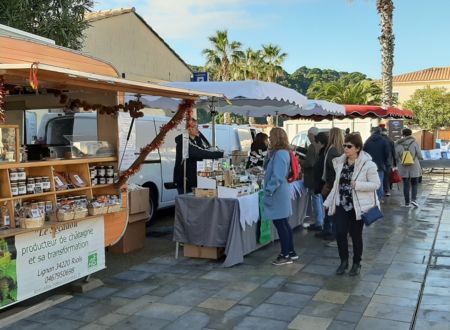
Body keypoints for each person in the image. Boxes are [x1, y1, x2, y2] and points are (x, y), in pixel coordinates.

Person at [323, 133, 380, 276]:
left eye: (349, 146)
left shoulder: (368, 165)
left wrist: (358, 185)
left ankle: (356, 263)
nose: (346, 149)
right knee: (340, 233)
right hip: (341, 204)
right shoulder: (339, 162)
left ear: (358, 148)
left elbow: (376, 184)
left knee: (355, 235)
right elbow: (336, 185)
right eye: (344, 146)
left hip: (357, 206)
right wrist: (329, 202)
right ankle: (343, 261)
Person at [264, 127, 297, 265]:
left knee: (280, 223)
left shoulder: (280, 154)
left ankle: (285, 254)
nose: (269, 139)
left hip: (277, 192)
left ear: (276, 138)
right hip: (281, 191)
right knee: (283, 223)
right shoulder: (283, 153)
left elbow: (277, 176)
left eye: (271, 137)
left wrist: (269, 190)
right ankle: (290, 252)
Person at [173, 118, 224, 194]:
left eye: (197, 127)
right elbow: (199, 152)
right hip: (185, 180)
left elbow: (205, 150)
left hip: (195, 179)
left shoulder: (198, 140)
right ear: (189, 129)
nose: (198, 129)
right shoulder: (183, 141)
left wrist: (215, 151)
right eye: (196, 127)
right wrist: (219, 154)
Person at [316, 127, 344, 241]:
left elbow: (334, 169)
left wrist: (330, 184)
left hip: (331, 183)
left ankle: (332, 232)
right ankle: (328, 230)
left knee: (330, 208)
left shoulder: (333, 150)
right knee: (330, 208)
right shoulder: (340, 149)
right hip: (333, 183)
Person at [298, 127, 322, 231]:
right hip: (319, 176)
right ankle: (321, 220)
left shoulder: (313, 146)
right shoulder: (320, 145)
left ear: (312, 135)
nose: (308, 137)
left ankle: (319, 222)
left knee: (316, 199)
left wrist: (300, 161)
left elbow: (310, 163)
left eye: (308, 135)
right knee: (319, 199)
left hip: (312, 176)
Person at [395, 128, 422, 207]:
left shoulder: (398, 144)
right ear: (411, 134)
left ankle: (407, 202)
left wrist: (401, 159)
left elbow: (396, 156)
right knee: (414, 183)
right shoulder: (415, 143)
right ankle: (413, 200)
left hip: (403, 167)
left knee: (406, 184)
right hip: (414, 166)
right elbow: (420, 156)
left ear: (403, 134)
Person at [363, 127, 390, 200]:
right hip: (380, 165)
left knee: (369, 182)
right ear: (380, 132)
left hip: (369, 165)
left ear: (373, 132)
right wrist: (384, 162)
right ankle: (379, 199)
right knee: (379, 183)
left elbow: (364, 152)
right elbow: (387, 153)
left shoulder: (368, 141)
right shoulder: (384, 141)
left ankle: (371, 198)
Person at [312, 132, 329, 228]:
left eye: (315, 142)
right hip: (322, 183)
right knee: (324, 205)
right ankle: (325, 227)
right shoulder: (324, 151)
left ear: (319, 142)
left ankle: (326, 228)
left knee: (325, 206)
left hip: (323, 184)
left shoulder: (324, 152)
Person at [380, 127, 397, 196]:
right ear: (386, 132)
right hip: (389, 161)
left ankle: (382, 190)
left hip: (380, 160)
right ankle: (387, 190)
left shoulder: (379, 140)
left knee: (381, 176)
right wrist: (395, 163)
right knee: (387, 176)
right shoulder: (390, 140)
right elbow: (393, 152)